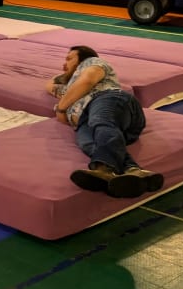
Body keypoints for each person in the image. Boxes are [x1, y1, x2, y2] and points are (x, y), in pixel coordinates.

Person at [47, 45, 164, 198]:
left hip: (108, 99)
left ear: (82, 59)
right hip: (87, 120)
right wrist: (67, 73)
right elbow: (49, 86)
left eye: (69, 59)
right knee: (88, 143)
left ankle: (103, 168)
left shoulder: (91, 62)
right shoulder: (71, 87)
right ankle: (134, 172)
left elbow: (88, 80)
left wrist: (61, 108)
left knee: (102, 123)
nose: (65, 63)